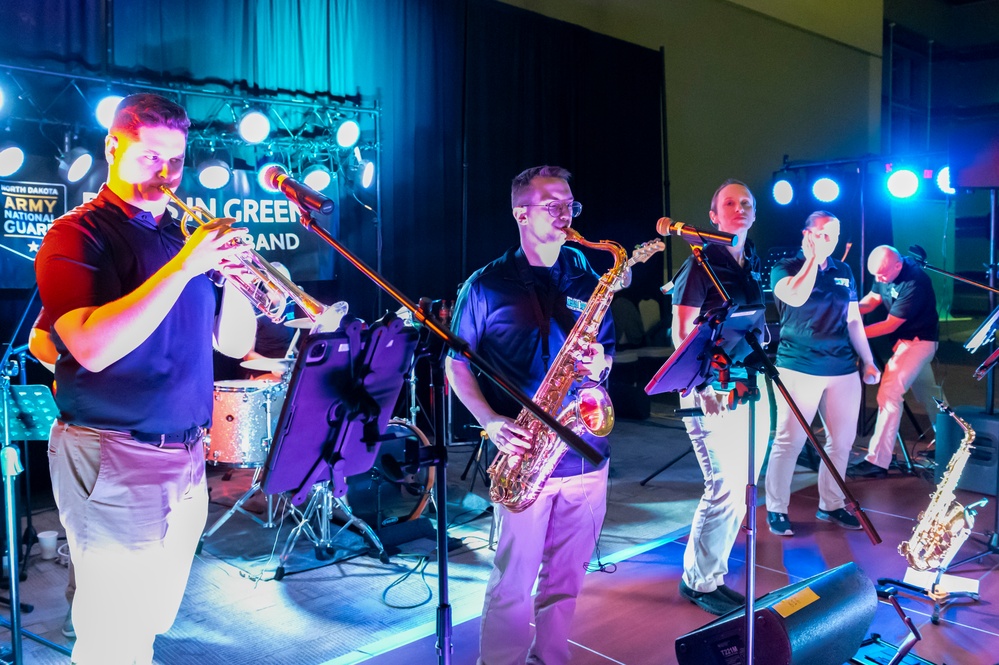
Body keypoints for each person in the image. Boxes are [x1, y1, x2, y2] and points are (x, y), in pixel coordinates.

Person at [34, 93, 257, 665]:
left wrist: (236, 276)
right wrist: (185, 267)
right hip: (114, 452)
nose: (166, 174)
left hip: (184, 458)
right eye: (150, 156)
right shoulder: (78, 234)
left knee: (151, 619)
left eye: (176, 160)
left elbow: (233, 345)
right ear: (113, 147)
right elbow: (90, 346)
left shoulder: (178, 237)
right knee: (115, 639)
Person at [445, 165, 617, 665]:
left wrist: (598, 362)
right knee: (513, 585)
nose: (566, 213)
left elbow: (605, 354)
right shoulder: (485, 285)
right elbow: (457, 364)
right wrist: (490, 421)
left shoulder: (589, 276)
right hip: (525, 457)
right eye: (553, 204)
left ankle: (552, 659)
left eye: (570, 204)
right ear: (521, 212)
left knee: (567, 581)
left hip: (588, 453)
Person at [669, 179, 772, 616]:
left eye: (745, 202)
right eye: (728, 202)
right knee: (724, 486)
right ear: (713, 217)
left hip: (752, 381)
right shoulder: (699, 263)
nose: (739, 208)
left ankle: (711, 573)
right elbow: (681, 331)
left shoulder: (750, 262)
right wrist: (706, 384)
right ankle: (699, 581)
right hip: (711, 388)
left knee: (742, 483)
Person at [764, 212, 880, 537]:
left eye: (836, 235)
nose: (832, 241)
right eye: (825, 234)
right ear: (808, 235)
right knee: (790, 440)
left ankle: (831, 504)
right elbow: (795, 296)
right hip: (798, 365)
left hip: (841, 366)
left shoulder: (843, 271)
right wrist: (812, 260)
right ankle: (776, 508)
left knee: (842, 441)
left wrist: (868, 360)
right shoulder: (784, 268)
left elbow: (853, 319)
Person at [850, 245, 942, 478]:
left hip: (918, 342)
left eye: (883, 275)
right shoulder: (884, 270)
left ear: (898, 266)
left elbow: (890, 324)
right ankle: (951, 443)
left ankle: (878, 461)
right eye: (876, 275)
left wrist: (853, 332)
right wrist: (849, 311)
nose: (879, 279)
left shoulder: (915, 282)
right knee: (930, 396)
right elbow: (873, 298)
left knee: (889, 393)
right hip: (907, 342)